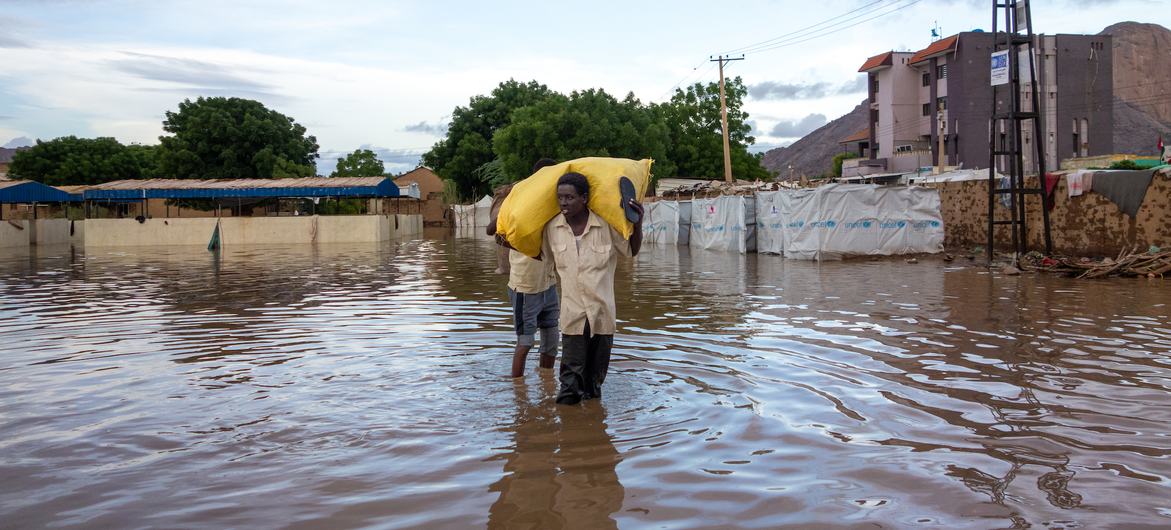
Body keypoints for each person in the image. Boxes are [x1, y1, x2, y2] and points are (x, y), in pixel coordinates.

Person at [542, 172, 642, 404]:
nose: (564, 203)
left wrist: (638, 223)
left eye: (570, 197)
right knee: (569, 384)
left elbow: (631, 251)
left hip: (602, 316)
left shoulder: (605, 225)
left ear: (584, 198)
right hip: (572, 317)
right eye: (560, 198)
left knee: (594, 384)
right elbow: (543, 258)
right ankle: (569, 433)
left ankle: (593, 431)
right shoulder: (552, 229)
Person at [487, 158, 563, 377]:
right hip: (525, 286)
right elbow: (494, 232)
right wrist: (530, 248)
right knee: (525, 342)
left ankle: (546, 383)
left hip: (549, 283)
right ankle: (518, 394)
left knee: (551, 343)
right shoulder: (519, 197)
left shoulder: (554, 201)